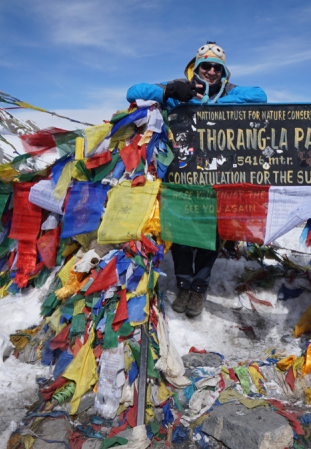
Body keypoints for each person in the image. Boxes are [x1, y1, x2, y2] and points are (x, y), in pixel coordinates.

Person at [126, 42, 267, 318]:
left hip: (217, 175)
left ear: (223, 71)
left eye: (217, 67)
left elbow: (260, 96)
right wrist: (167, 92)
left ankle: (199, 287)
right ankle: (183, 284)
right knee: (179, 231)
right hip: (181, 172)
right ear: (196, 66)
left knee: (211, 233)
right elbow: (133, 92)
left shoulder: (230, 90)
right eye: (206, 66)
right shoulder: (179, 88)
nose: (211, 71)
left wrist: (212, 104)